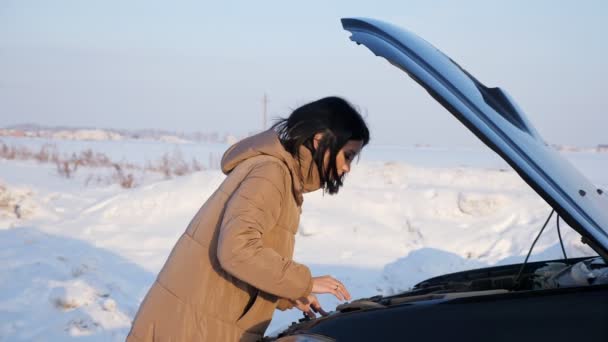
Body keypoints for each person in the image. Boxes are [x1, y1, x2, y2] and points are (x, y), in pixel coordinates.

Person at [126, 96, 370, 341]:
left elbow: (246, 257)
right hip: (189, 327)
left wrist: (288, 292)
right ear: (320, 142)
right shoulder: (271, 174)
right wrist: (304, 282)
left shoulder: (283, 178)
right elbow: (237, 250)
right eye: (347, 155)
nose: (347, 168)